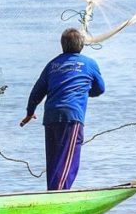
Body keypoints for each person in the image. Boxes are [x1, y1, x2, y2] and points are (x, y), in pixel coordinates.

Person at [19, 28, 105, 191]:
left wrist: (30, 112)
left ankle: (52, 193)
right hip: (71, 117)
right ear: (81, 45)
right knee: (68, 160)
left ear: (62, 46)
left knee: (54, 160)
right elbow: (100, 89)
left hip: (51, 116)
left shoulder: (52, 64)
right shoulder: (89, 64)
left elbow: (37, 91)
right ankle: (58, 196)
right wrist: (84, 91)